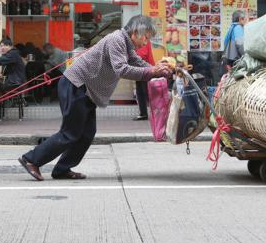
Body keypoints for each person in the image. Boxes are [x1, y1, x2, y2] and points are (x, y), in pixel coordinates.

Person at [17, 15, 171, 181]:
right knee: (70, 133)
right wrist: (153, 72)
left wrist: (156, 69)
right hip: (76, 86)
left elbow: (137, 62)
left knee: (87, 133)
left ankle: (62, 169)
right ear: (135, 32)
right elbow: (122, 69)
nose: (146, 43)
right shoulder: (116, 39)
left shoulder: (126, 45)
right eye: (146, 37)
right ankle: (31, 159)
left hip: (87, 91)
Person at [133, 38, 155, 121]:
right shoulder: (143, 39)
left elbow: (144, 54)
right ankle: (143, 113)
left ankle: (149, 113)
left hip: (144, 68)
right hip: (141, 68)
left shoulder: (143, 40)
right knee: (140, 91)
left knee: (145, 92)